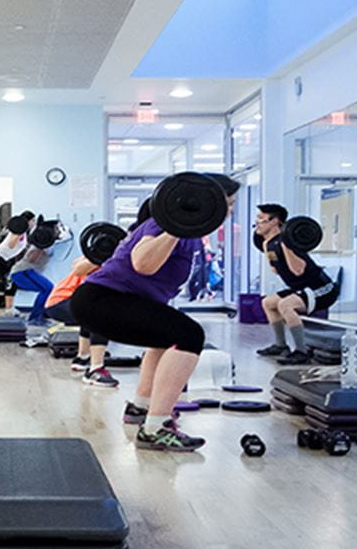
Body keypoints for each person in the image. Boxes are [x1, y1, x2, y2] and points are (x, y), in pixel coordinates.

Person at [71, 175, 240, 451]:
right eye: (228, 203)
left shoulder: (186, 234)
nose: (229, 211)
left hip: (105, 300)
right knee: (190, 335)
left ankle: (142, 408)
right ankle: (156, 427)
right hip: (101, 299)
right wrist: (177, 225)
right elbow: (142, 263)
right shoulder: (163, 225)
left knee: (165, 337)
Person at [252, 203, 339, 365]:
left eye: (261, 220)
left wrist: (286, 247)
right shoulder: (267, 244)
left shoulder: (290, 243)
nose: (257, 223)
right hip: (301, 288)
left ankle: (301, 351)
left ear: (274, 221)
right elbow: (275, 269)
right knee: (268, 302)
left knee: (286, 305)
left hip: (322, 289)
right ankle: (280, 345)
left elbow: (297, 271)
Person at [44, 256, 117, 388]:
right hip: (60, 301)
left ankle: (82, 359)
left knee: (93, 313)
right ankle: (95, 370)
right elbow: (77, 267)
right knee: (99, 315)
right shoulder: (101, 257)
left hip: (70, 301)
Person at [9, 223, 55, 326]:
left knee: (47, 289)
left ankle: (40, 316)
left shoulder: (47, 244)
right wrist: (40, 249)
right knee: (48, 288)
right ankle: (35, 318)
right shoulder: (36, 248)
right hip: (22, 272)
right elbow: (31, 258)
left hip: (26, 272)